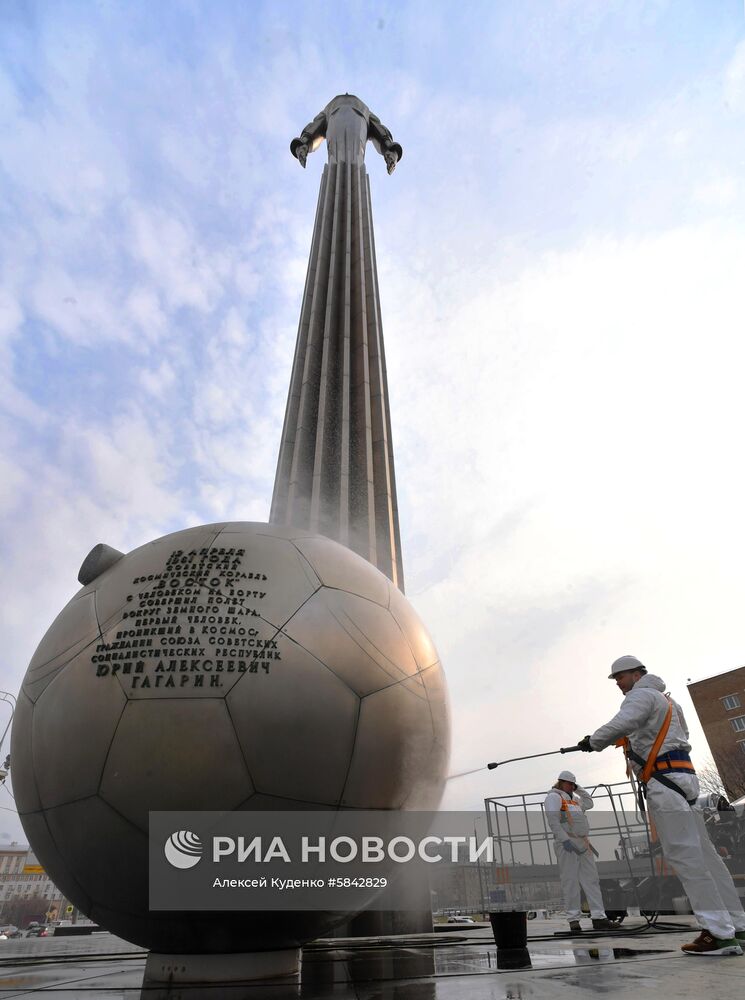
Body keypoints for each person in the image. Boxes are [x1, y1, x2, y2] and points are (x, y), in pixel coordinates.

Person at [578, 654, 745, 956]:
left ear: (636, 674)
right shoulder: (669, 702)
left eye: (620, 677)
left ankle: (718, 934)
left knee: (685, 855)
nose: (617, 683)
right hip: (684, 778)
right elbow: (679, 735)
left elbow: (624, 721)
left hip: (664, 781)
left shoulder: (639, 695)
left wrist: (595, 740)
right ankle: (738, 926)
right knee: (706, 857)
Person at [544, 769, 614, 933]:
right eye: (569, 783)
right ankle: (573, 920)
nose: (571, 786)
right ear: (561, 782)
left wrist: (579, 788)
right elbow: (552, 820)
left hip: (583, 844)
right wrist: (564, 840)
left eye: (573, 784)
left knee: (592, 881)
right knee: (571, 882)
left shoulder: (574, 800)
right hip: (567, 844)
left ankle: (599, 917)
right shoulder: (554, 798)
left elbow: (589, 802)